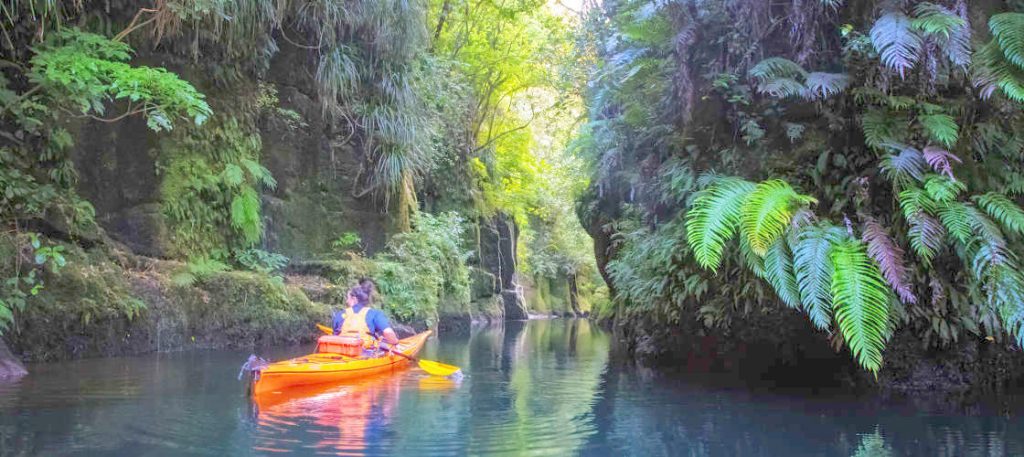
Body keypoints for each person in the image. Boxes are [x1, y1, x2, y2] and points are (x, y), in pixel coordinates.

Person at [332, 285, 399, 350]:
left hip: (341, 351)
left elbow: (335, 335)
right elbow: (387, 332)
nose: (347, 301)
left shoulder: (340, 314)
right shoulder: (374, 313)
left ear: (354, 299)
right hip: (365, 352)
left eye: (348, 298)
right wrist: (395, 342)